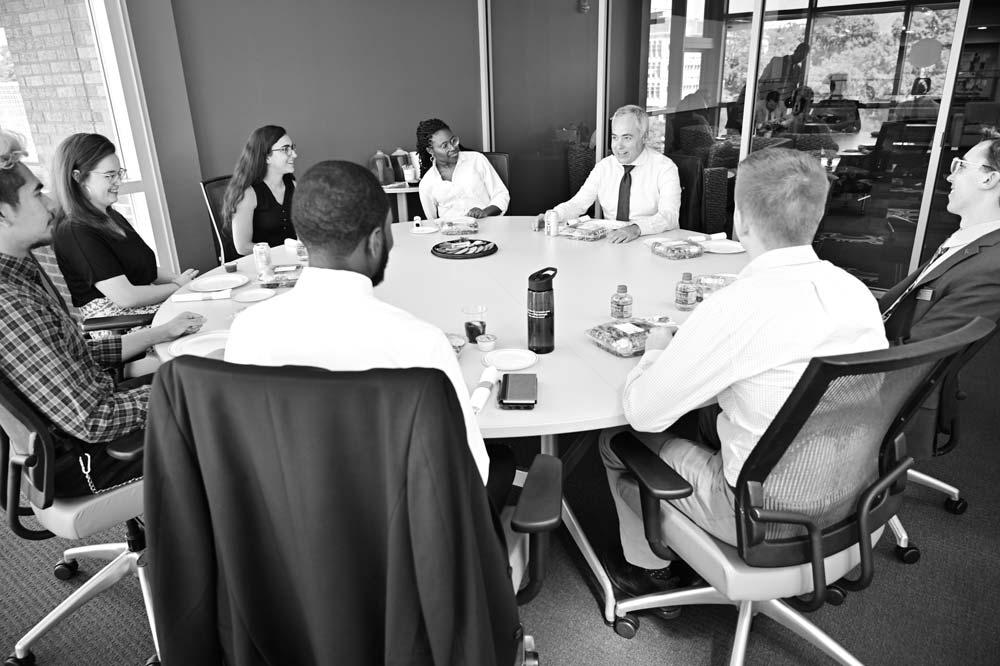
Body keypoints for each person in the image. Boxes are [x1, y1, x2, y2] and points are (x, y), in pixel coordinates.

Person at [598, 148, 887, 606]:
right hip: (854, 490)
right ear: (816, 217)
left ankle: (646, 573)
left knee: (616, 440)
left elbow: (644, 413)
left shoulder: (736, 307)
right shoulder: (855, 292)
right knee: (714, 413)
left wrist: (656, 351)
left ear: (742, 221)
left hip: (759, 515)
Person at [226, 160, 513, 505]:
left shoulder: (247, 330)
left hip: (282, 534)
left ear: (301, 238)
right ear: (377, 240)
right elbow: (468, 475)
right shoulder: (419, 343)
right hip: (399, 542)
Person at [0, 130, 205, 497]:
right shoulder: (9, 304)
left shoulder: (21, 279)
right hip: (85, 457)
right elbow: (93, 420)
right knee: (234, 410)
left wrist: (159, 338)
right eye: (36, 193)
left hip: (94, 418)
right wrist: (193, 388)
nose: (50, 204)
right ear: (2, 215)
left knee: (201, 377)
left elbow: (70, 357)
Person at [50, 133, 200, 321]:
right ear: (78, 177)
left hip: (146, 312)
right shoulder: (74, 231)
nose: (118, 182)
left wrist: (185, 282)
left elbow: (147, 270)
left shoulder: (111, 215)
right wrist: (177, 286)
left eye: (118, 173)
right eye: (109, 176)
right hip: (121, 328)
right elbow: (125, 298)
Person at [881, 133, 1000, 345]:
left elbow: (919, 356)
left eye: (961, 166)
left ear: (989, 179)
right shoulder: (969, 242)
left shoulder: (993, 265)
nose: (950, 177)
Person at [540, 105, 681, 244]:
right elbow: (578, 203)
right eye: (615, 137)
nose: (618, 146)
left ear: (644, 137)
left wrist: (636, 228)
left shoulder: (665, 168)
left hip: (652, 244)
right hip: (613, 243)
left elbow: (669, 215)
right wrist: (553, 215)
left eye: (627, 138)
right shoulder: (604, 167)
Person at [222, 125, 298, 255]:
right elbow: (243, 247)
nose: (294, 155)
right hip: (261, 265)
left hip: (292, 260)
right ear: (266, 156)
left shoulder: (293, 185)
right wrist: (279, 254)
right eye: (285, 149)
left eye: (292, 148)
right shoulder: (248, 194)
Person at [415, 118, 509, 220]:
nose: (452, 147)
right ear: (430, 150)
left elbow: (501, 194)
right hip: (451, 234)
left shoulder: (476, 160)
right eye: (444, 146)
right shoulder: (427, 183)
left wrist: (485, 212)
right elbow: (432, 222)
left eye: (453, 141)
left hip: (487, 228)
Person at [758, 42, 809, 113]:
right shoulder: (777, 61)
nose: (801, 58)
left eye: (804, 56)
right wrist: (761, 98)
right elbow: (762, 80)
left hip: (783, 106)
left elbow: (794, 88)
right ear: (795, 51)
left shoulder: (798, 70)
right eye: (801, 54)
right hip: (768, 102)